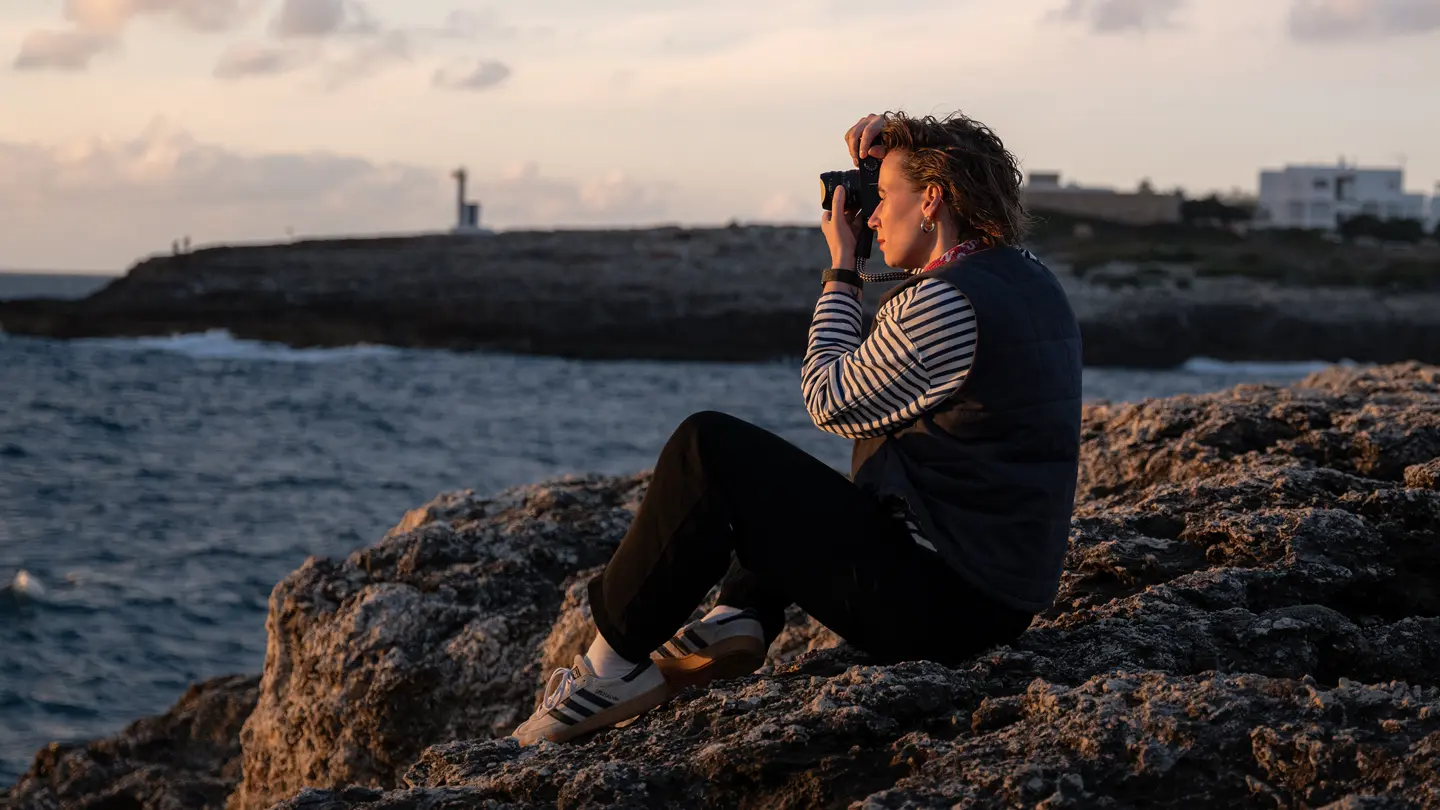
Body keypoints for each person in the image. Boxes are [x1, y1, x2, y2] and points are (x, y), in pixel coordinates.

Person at [513, 110, 1083, 745]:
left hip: (941, 611)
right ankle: (744, 610)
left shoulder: (947, 303)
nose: (868, 215)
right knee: (862, 463)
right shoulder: (1029, 276)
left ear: (931, 200)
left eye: (882, 196)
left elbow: (829, 397)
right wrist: (887, 154)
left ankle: (609, 668)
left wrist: (842, 270)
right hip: (994, 595)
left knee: (709, 449)